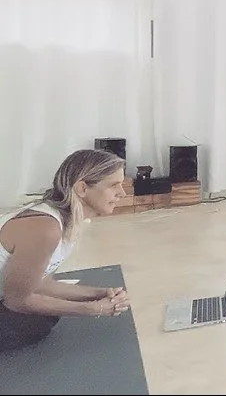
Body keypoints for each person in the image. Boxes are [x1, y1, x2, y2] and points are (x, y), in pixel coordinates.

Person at [0, 149, 132, 353]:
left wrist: (98, 294)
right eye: (113, 185)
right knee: (36, 321)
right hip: (10, 298)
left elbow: (40, 283)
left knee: (44, 315)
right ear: (82, 188)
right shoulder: (46, 229)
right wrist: (92, 309)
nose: (122, 193)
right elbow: (17, 300)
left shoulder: (66, 220)